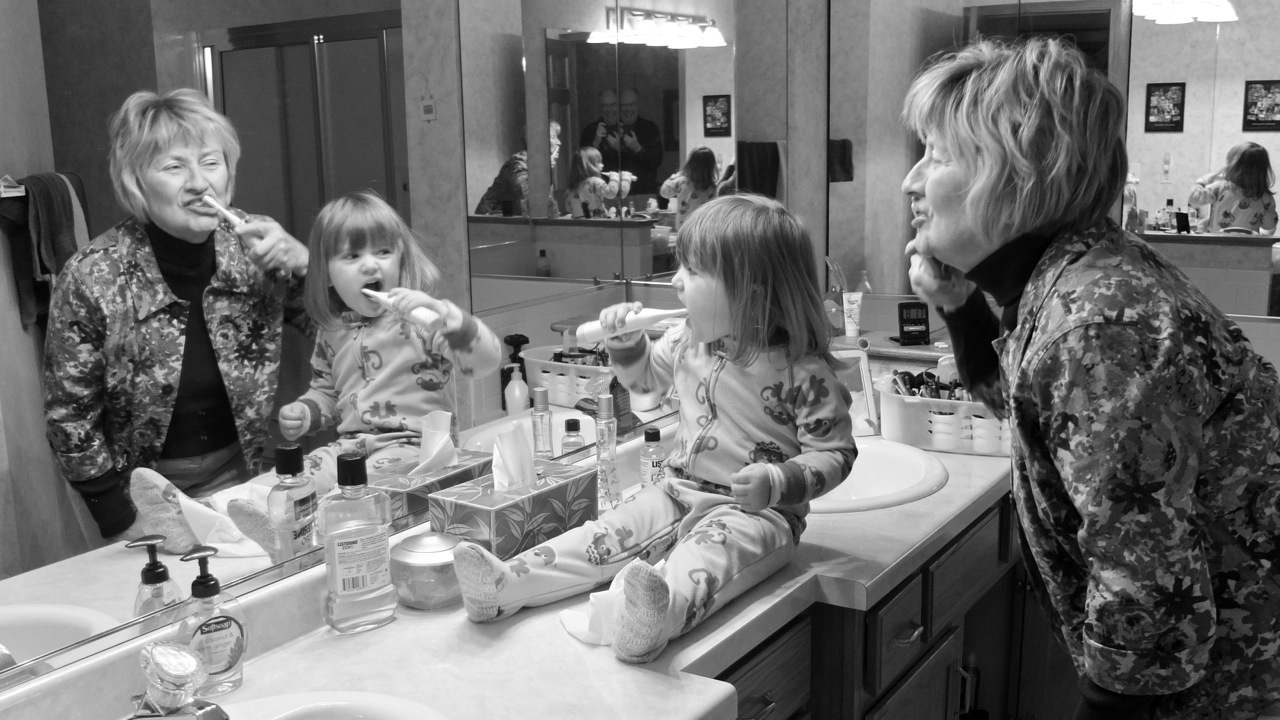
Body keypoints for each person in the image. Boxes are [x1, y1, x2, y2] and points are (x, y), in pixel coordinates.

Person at [901, 37, 1280, 719]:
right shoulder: (1077, 275)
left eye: (937, 155)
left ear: (1016, 175)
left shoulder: (1099, 322)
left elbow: (1145, 588)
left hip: (1229, 684)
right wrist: (957, 306)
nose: (911, 182)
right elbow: (1037, 417)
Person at [453, 194, 857, 663]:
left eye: (693, 270)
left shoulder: (803, 374)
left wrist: (778, 481)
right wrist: (628, 346)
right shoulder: (688, 342)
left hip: (757, 516)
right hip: (678, 491)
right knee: (605, 532)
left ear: (750, 293)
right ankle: (507, 582)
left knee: (704, 563)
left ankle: (653, 621)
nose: (676, 280)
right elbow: (644, 382)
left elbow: (836, 453)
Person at [130, 190, 503, 558]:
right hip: (351, 448)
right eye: (352, 256)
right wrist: (307, 411)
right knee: (285, 481)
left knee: (342, 501)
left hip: (417, 452)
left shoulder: (424, 323)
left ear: (402, 259)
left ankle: (283, 530)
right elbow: (327, 391)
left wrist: (450, 318)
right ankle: (194, 518)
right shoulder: (333, 331)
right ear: (327, 273)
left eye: (383, 252)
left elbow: (485, 361)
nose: (370, 265)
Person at [43, 88, 312, 544]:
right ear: (135, 181)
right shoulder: (92, 275)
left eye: (211, 162)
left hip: (239, 474)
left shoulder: (254, 246)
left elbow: (344, 329)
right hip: (131, 494)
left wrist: (307, 266)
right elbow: (68, 414)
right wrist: (119, 519)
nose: (199, 183)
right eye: (174, 167)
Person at [579, 88, 665, 195]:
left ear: (638, 105)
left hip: (641, 192)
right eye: (605, 105)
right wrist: (596, 142)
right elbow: (582, 166)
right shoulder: (592, 130)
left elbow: (655, 162)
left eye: (613, 105)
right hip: (603, 194)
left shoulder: (648, 128)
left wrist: (636, 148)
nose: (609, 109)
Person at [474, 120, 563, 217]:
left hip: (514, 219)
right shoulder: (519, 161)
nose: (559, 142)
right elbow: (528, 197)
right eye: (553, 137)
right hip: (491, 219)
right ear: (538, 141)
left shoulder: (539, 165)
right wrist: (544, 169)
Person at [1187, 141, 1278, 234]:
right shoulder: (1265, 197)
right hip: (1248, 243)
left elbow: (1194, 200)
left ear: (1233, 167)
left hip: (1218, 241)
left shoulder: (1219, 188)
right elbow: (1269, 226)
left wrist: (1201, 182)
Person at [660, 146, 719, 230]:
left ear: (690, 165)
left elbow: (664, 192)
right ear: (712, 167)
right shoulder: (712, 189)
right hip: (703, 229)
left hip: (683, 228)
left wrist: (673, 177)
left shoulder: (681, 182)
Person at [566, 147, 633, 218]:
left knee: (612, 211)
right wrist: (618, 178)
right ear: (590, 165)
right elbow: (611, 193)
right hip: (597, 222)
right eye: (599, 162)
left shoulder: (571, 187)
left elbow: (568, 208)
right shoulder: (594, 181)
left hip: (578, 222)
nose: (602, 165)